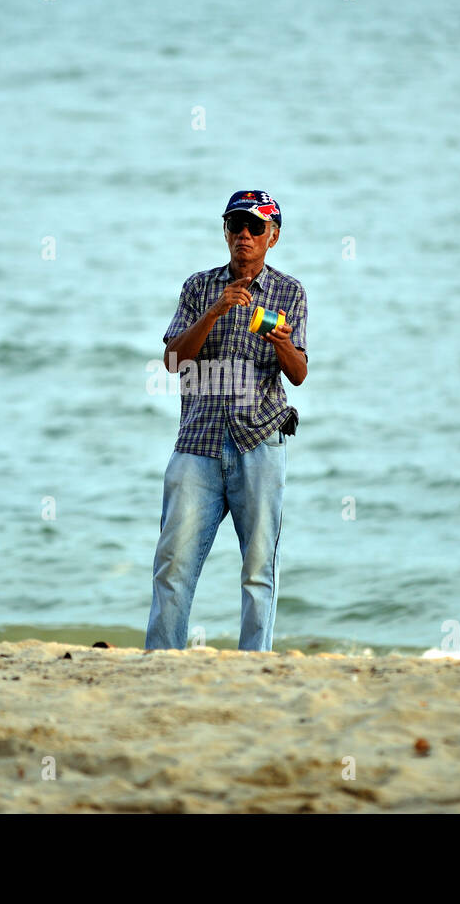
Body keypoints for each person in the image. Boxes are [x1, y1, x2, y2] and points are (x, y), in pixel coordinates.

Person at [145, 190, 307, 652]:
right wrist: (216, 310)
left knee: (258, 570)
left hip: (260, 442)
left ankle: (254, 664)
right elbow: (174, 360)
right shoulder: (199, 288)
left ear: (272, 237)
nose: (244, 235)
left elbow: (298, 374)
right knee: (173, 563)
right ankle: (161, 660)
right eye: (236, 225)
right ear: (225, 232)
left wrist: (281, 342)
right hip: (198, 443)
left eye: (256, 228)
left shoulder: (290, 292)